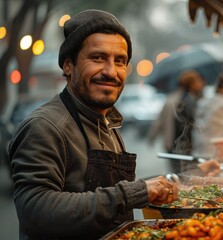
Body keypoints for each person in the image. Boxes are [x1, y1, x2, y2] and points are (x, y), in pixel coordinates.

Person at [8, 10, 179, 240]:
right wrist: (134, 192)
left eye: (119, 61)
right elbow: (37, 210)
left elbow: (111, 196)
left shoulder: (108, 123)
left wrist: (159, 185)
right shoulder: (45, 126)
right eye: (98, 58)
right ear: (68, 65)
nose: (110, 71)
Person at [148, 70, 205, 172]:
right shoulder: (183, 100)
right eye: (198, 81)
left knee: (181, 172)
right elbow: (160, 120)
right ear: (190, 84)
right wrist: (152, 137)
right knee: (181, 173)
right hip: (177, 144)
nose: (201, 84)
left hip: (182, 144)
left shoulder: (176, 98)